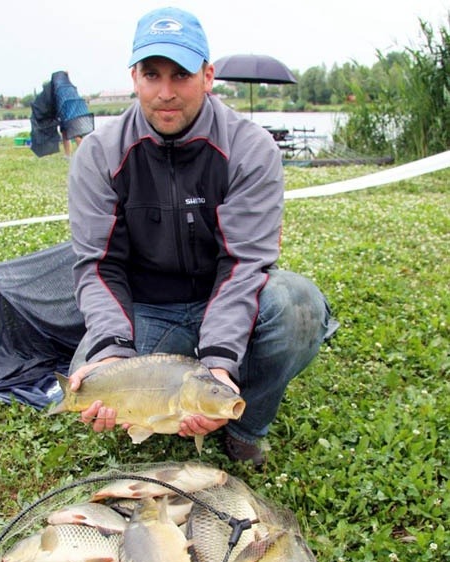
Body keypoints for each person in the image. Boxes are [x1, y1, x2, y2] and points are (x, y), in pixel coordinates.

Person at [67, 7, 336, 468]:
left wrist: (217, 362)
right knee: (87, 383)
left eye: (182, 75)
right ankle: (158, 405)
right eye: (152, 75)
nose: (165, 93)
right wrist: (112, 350)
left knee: (299, 305)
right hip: (148, 307)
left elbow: (244, 265)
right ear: (134, 77)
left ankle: (244, 426)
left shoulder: (250, 149)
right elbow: (98, 266)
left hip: (225, 296)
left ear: (208, 76)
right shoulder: (98, 154)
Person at [30, 71, 94, 158]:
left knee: (76, 135)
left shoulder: (62, 88)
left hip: (71, 114)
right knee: (65, 133)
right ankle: (68, 155)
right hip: (68, 113)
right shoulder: (68, 87)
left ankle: (85, 155)